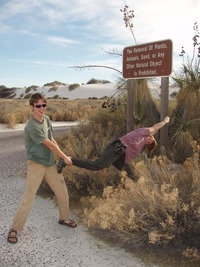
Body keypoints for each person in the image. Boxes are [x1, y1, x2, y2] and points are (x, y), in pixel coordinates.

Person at [7, 93, 76, 244]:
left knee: (62, 193)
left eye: (43, 105)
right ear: (32, 107)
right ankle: (14, 229)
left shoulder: (47, 120)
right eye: (38, 106)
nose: (41, 108)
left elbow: (52, 139)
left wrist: (60, 157)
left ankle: (64, 218)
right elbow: (48, 144)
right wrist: (65, 157)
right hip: (36, 164)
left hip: (50, 163)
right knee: (29, 198)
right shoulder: (32, 126)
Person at [57, 116, 170, 180]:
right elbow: (155, 128)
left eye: (151, 142)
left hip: (121, 156)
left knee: (131, 174)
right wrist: (165, 121)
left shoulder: (141, 146)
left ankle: (138, 191)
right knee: (99, 165)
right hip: (116, 148)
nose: (150, 139)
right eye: (151, 138)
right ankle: (68, 160)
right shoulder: (142, 132)